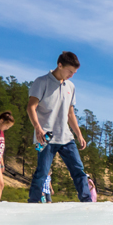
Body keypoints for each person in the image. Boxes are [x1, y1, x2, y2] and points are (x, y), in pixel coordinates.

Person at [27, 51, 91, 203]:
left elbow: (70, 114)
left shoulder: (71, 86)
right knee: (42, 172)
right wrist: (37, 127)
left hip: (66, 137)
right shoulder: (41, 82)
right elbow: (31, 107)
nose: (72, 75)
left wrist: (79, 135)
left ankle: (88, 202)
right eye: (70, 71)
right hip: (45, 137)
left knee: (79, 171)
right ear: (59, 65)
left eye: (74, 72)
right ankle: (33, 203)